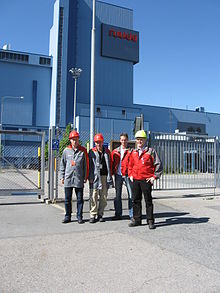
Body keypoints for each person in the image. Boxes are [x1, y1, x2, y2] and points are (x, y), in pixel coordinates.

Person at [128, 130, 163, 229]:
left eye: (141, 139)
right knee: (135, 200)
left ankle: (150, 220)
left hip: (146, 180)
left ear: (145, 140)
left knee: (148, 200)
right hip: (135, 179)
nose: (139, 141)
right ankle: (137, 219)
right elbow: (130, 165)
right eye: (138, 139)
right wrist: (130, 174)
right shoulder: (133, 152)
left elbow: (158, 164)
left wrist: (154, 177)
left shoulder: (151, 151)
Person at [60, 130, 89, 224]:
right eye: (73, 140)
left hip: (79, 179)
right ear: (70, 140)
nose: (75, 141)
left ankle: (79, 216)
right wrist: (62, 177)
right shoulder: (66, 151)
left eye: (76, 139)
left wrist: (85, 176)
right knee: (67, 199)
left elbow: (85, 165)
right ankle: (67, 216)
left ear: (78, 140)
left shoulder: (83, 151)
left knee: (80, 199)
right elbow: (62, 164)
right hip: (68, 178)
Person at [89, 133, 113, 223]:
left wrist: (110, 176)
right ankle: (93, 214)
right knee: (94, 195)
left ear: (103, 142)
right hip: (95, 176)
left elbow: (110, 163)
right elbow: (90, 165)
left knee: (103, 196)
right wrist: (90, 176)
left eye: (100, 142)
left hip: (104, 176)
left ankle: (100, 214)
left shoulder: (107, 152)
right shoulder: (91, 152)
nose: (98, 144)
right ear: (95, 143)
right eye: (97, 142)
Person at [111, 133, 133, 220]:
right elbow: (112, 163)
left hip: (128, 175)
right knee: (117, 195)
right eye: (122, 140)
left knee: (131, 195)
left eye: (125, 140)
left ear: (127, 140)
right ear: (120, 140)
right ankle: (118, 214)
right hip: (118, 175)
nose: (123, 141)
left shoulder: (131, 151)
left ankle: (132, 214)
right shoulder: (115, 151)